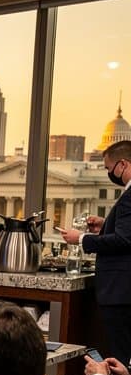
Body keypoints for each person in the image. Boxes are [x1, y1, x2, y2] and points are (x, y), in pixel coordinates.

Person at [59, 139, 131, 363]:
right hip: (122, 290)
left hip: (120, 291)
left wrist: (80, 238)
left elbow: (124, 240)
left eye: (110, 169)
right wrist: (104, 226)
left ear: (123, 164)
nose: (110, 174)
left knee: (122, 356)